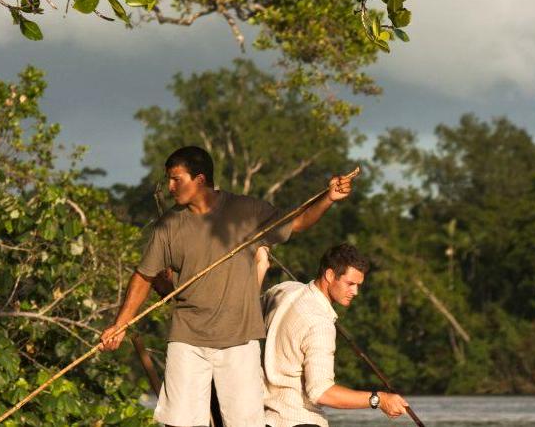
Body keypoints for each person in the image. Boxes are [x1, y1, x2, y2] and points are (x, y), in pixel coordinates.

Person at [100, 146, 356, 427]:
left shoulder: (245, 210)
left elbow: (297, 223)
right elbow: (144, 276)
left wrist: (329, 197)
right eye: (169, 180)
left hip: (239, 340)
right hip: (187, 338)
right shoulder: (169, 225)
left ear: (199, 180)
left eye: (176, 179)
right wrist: (121, 324)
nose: (170, 187)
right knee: (179, 423)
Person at [262, 243, 410, 427]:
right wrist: (378, 399)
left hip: (264, 418)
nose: (355, 292)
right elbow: (321, 392)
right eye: (350, 284)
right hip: (299, 419)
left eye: (358, 285)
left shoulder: (283, 290)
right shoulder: (320, 324)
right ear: (330, 275)